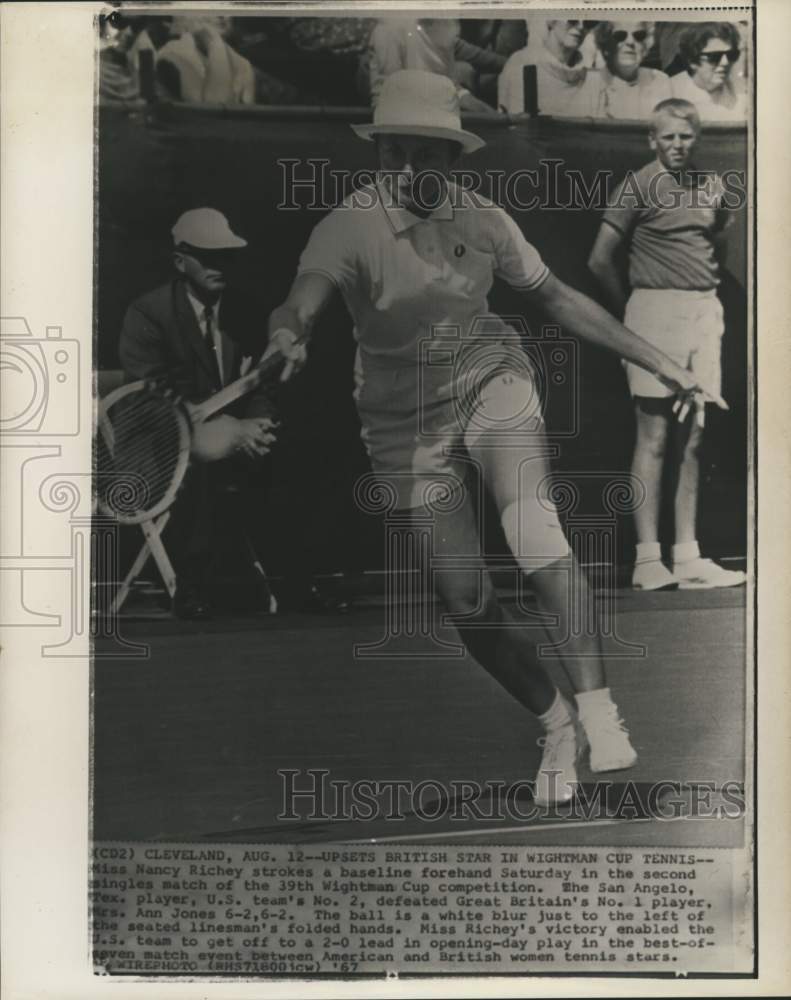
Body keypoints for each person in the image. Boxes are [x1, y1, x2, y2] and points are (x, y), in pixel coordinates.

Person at [266, 71, 727, 804]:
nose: (409, 168)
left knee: (536, 533)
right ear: (378, 153)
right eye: (394, 152)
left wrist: (660, 359)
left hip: (488, 374)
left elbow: (556, 296)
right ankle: (556, 723)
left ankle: (601, 712)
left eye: (427, 153)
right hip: (401, 419)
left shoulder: (483, 219)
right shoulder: (346, 228)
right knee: (465, 598)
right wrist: (288, 332)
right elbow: (301, 300)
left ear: (453, 158)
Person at [588, 98, 747, 591]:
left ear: (696, 139)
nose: (678, 145)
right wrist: (630, 320)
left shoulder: (712, 187)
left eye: (686, 136)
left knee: (694, 437)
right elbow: (599, 260)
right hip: (652, 315)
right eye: (669, 136)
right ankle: (647, 560)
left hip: (703, 313)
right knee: (653, 437)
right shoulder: (637, 186)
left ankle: (687, 556)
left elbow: (716, 246)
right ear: (652, 140)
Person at [119, 208, 276, 619]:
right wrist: (221, 430)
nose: (218, 265)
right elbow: (152, 396)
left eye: (226, 255)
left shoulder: (245, 311)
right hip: (159, 444)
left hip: (233, 435)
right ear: (179, 262)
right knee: (207, 458)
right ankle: (191, 584)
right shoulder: (148, 312)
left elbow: (261, 383)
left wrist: (258, 424)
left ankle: (293, 579)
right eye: (207, 256)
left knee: (289, 448)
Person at [367, 17, 505, 111]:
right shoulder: (389, 29)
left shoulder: (439, 24)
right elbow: (386, 99)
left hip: (439, 110)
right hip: (406, 119)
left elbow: (450, 84)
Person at [498, 18, 592, 116]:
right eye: (573, 19)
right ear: (551, 20)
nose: (581, 26)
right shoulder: (522, 62)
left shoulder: (591, 77)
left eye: (589, 22)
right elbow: (515, 121)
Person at [580, 21, 671, 120]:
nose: (630, 42)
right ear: (605, 45)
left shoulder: (659, 81)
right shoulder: (589, 82)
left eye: (639, 36)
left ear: (645, 46)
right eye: (620, 36)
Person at [670, 22, 746, 123]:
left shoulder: (742, 94)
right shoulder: (671, 93)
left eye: (731, 55)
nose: (725, 62)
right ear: (692, 61)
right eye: (715, 57)